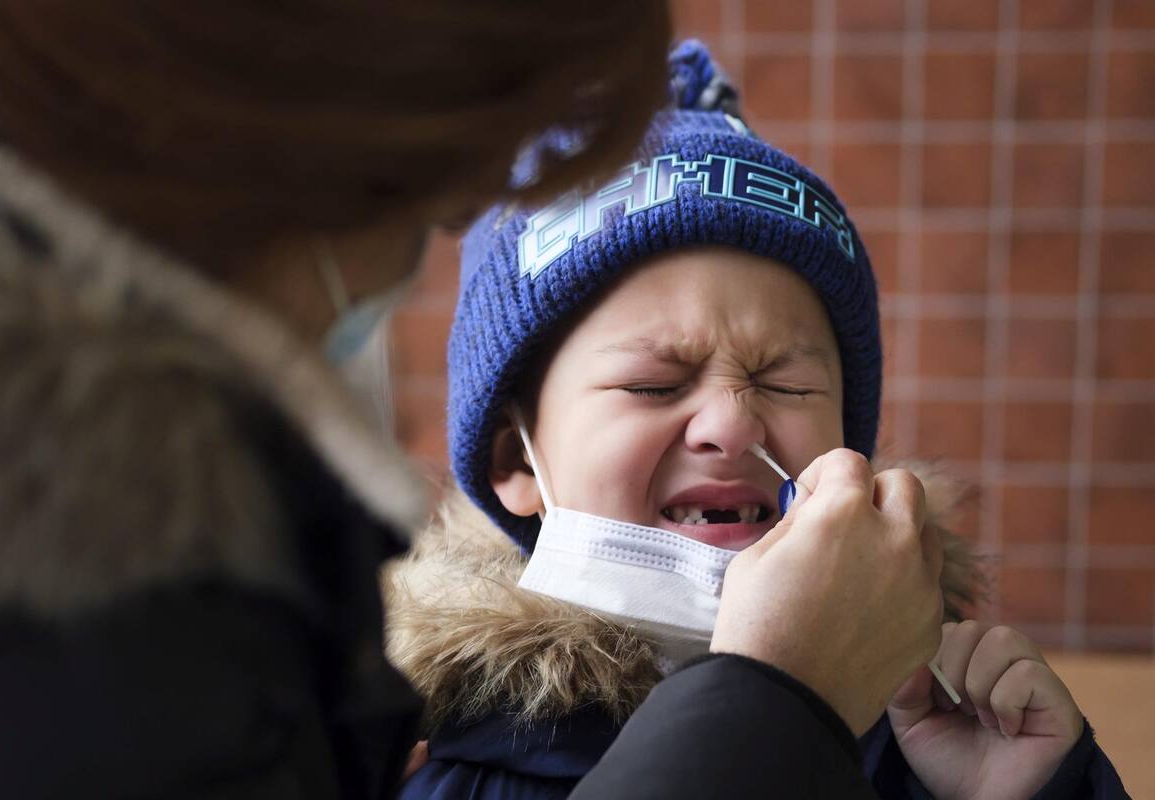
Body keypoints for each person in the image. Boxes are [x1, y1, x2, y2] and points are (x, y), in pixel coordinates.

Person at [0, 4, 675, 798]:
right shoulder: (139, 624)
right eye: (432, 207)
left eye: (786, 380)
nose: (725, 425)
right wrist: (767, 717)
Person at [388, 41, 1129, 799]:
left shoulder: (937, 726)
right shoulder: (421, 756)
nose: (733, 426)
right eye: (652, 384)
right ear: (515, 461)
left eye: (789, 384)